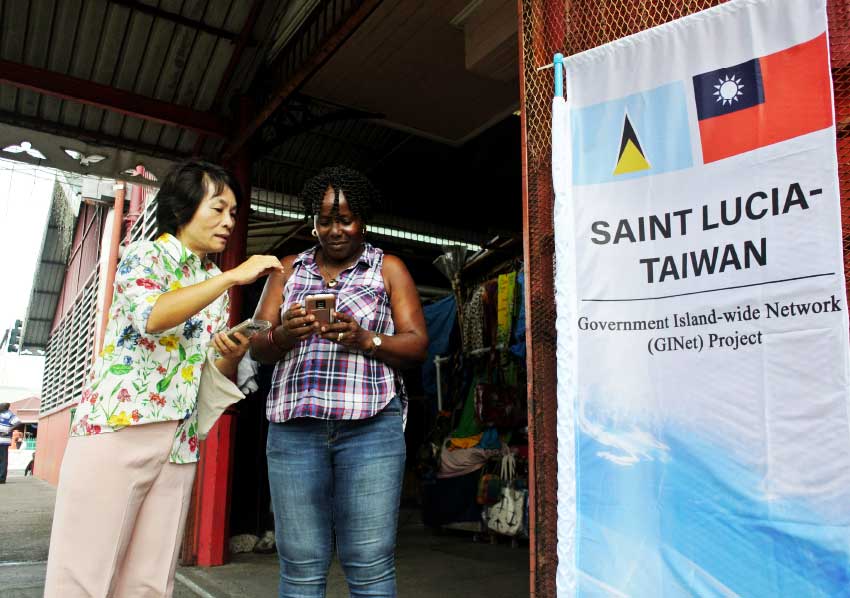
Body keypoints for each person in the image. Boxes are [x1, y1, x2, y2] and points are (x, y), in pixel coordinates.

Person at [44, 159, 284, 597]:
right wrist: (234, 275)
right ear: (183, 208)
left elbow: (210, 367)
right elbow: (151, 317)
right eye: (218, 209)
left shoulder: (210, 279)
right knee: (83, 574)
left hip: (180, 442)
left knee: (151, 580)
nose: (229, 221)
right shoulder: (144, 255)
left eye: (234, 212)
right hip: (118, 429)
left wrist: (229, 354)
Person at [251, 166, 428, 597]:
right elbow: (255, 345)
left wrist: (365, 338)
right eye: (325, 220)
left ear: (362, 220)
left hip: (371, 430)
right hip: (295, 430)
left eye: (345, 219)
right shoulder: (287, 270)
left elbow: (418, 344)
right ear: (313, 222)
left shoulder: (389, 269)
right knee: (301, 566)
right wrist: (283, 334)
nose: (334, 230)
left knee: (369, 564)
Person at [0, 402, 22, 483]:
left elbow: (18, 422)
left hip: (3, 441)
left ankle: (1, 478)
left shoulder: (9, 414)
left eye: (0, 406)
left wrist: (8, 430)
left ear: (4, 407)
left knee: (3, 460)